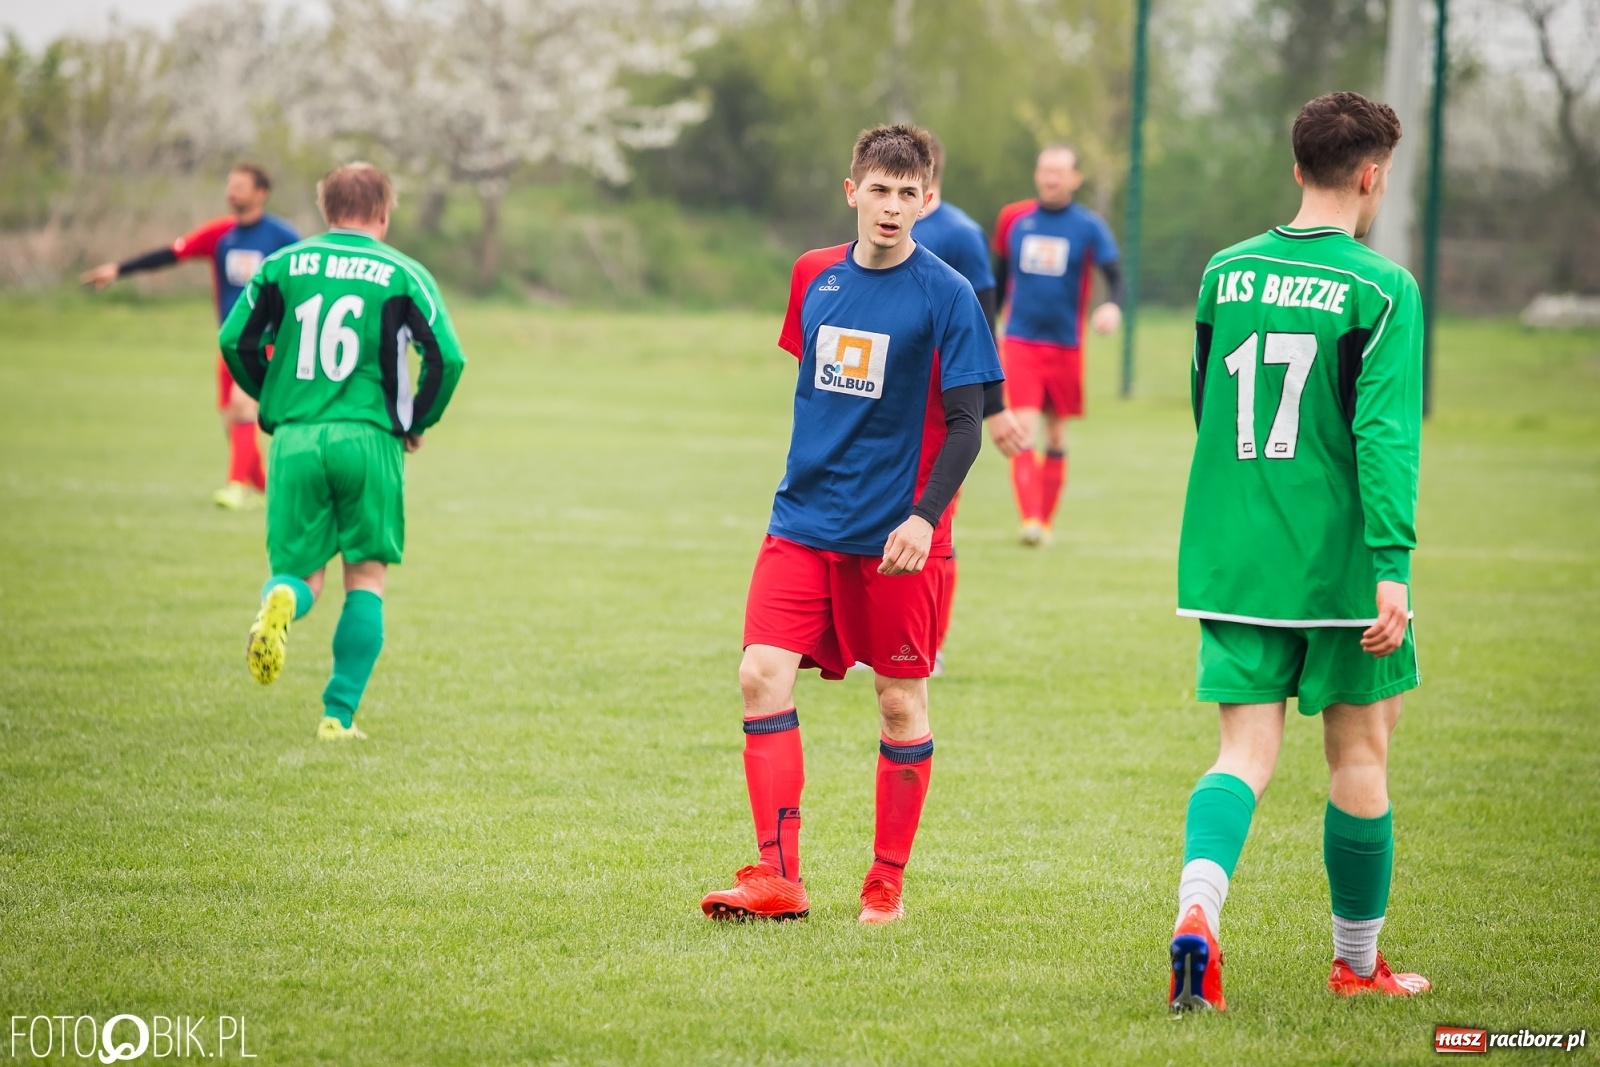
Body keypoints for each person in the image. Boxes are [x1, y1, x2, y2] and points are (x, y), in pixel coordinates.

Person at [700, 125, 1002, 925]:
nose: (893, 207)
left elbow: (967, 423)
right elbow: (825, 390)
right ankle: (776, 877)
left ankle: (885, 884)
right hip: (801, 521)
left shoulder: (950, 296)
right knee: (760, 673)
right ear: (851, 192)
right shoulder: (813, 277)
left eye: (909, 194)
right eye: (879, 190)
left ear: (929, 200)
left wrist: (923, 517)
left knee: (901, 703)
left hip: (894, 540)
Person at [1166, 92, 1429, 1012]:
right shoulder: (1381, 288)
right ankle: (1356, 966)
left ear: (1295, 168)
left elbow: (1205, 401)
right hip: (1340, 569)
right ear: (1370, 175)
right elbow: (1384, 434)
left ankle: (1199, 912)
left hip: (1234, 559)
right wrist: (1390, 562)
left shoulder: (1224, 272)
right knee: (1359, 753)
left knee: (1242, 752)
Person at [218, 163, 465, 741]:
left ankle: (282, 598)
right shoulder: (404, 272)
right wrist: (415, 420)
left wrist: (274, 397)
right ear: (384, 212)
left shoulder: (283, 264)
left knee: (302, 574)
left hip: (298, 436)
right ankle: (338, 716)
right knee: (366, 578)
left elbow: (235, 339)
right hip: (367, 437)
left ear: (327, 209)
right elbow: (447, 359)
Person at [81, 164, 301, 509]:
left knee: (244, 407)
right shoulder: (221, 235)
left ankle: (235, 485)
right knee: (232, 423)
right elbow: (173, 253)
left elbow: (309, 281)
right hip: (229, 344)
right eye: (230, 185)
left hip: (266, 344)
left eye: (241, 186)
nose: (232, 192)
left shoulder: (283, 238)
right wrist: (118, 270)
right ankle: (269, 490)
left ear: (261, 193)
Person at [911, 134, 1027, 673]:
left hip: (944, 399)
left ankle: (928, 644)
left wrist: (995, 403)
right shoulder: (883, 220)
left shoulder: (960, 234)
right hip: (891, 400)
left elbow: (984, 322)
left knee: (934, 519)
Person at [992, 145, 1125, 544]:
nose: (1051, 178)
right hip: (1020, 341)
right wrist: (989, 325)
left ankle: (1045, 522)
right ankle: (1030, 519)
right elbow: (997, 280)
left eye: (1059, 172)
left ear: (1074, 178)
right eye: (1045, 170)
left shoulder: (1088, 226)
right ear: (1037, 174)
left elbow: (1115, 276)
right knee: (1023, 427)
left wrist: (1112, 307)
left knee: (1055, 435)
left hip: (1066, 345)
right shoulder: (1013, 219)